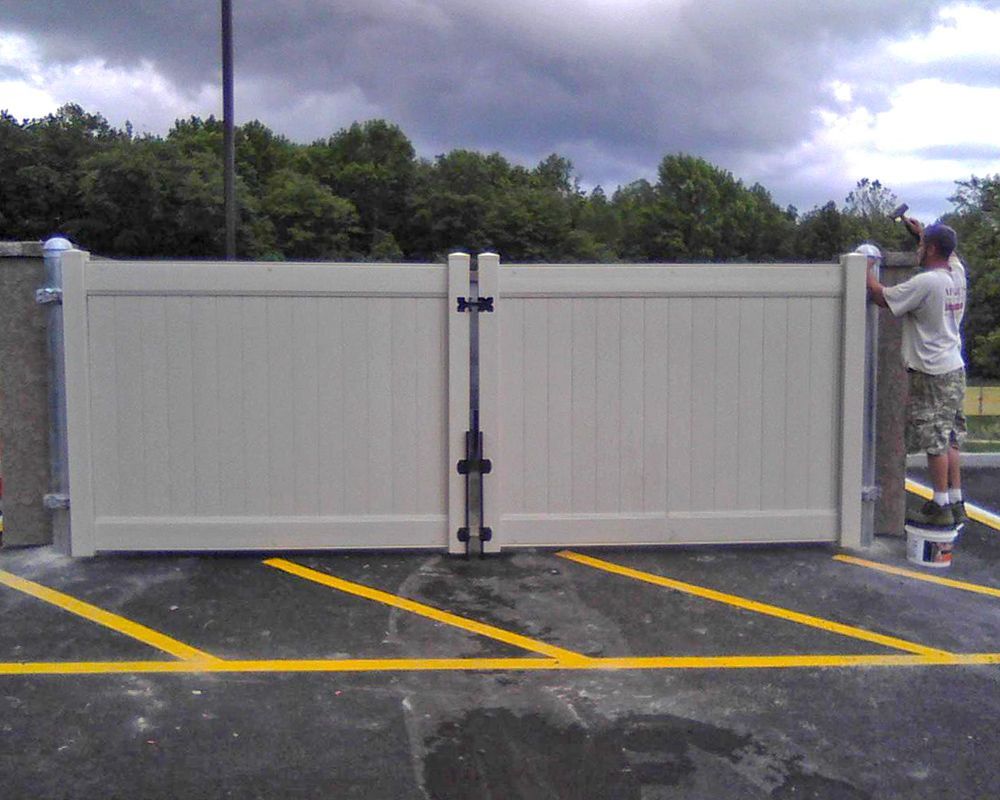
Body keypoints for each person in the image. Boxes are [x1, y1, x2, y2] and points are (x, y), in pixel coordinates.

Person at [865, 218, 967, 531]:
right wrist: (920, 232)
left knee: (934, 439)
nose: (918, 250)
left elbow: (882, 296)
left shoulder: (927, 282)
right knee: (949, 435)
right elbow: (947, 252)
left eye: (923, 246)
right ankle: (954, 500)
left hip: (932, 372)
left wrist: (863, 267)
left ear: (933, 249)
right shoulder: (957, 273)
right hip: (954, 367)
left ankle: (938, 506)